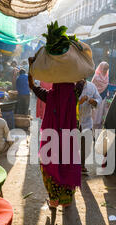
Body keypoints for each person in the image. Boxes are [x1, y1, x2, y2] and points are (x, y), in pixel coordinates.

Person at [28, 57, 85, 209]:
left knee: (50, 166)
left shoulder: (49, 95)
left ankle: (53, 200)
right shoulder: (75, 93)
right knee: (68, 164)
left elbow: (32, 85)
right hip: (69, 138)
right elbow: (83, 77)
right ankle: (66, 201)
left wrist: (31, 66)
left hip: (51, 141)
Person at [77, 79, 102, 174]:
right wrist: (79, 101)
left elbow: (98, 99)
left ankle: (82, 165)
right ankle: (72, 165)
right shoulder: (72, 85)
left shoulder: (91, 86)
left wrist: (93, 101)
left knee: (86, 145)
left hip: (87, 121)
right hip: (73, 120)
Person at [92, 62, 110, 128]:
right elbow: (92, 88)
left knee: (100, 117)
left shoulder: (106, 77)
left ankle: (97, 134)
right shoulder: (96, 77)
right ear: (101, 68)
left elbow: (106, 88)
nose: (105, 70)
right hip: (95, 99)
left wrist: (107, 98)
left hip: (103, 99)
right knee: (94, 117)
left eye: (107, 69)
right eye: (104, 69)